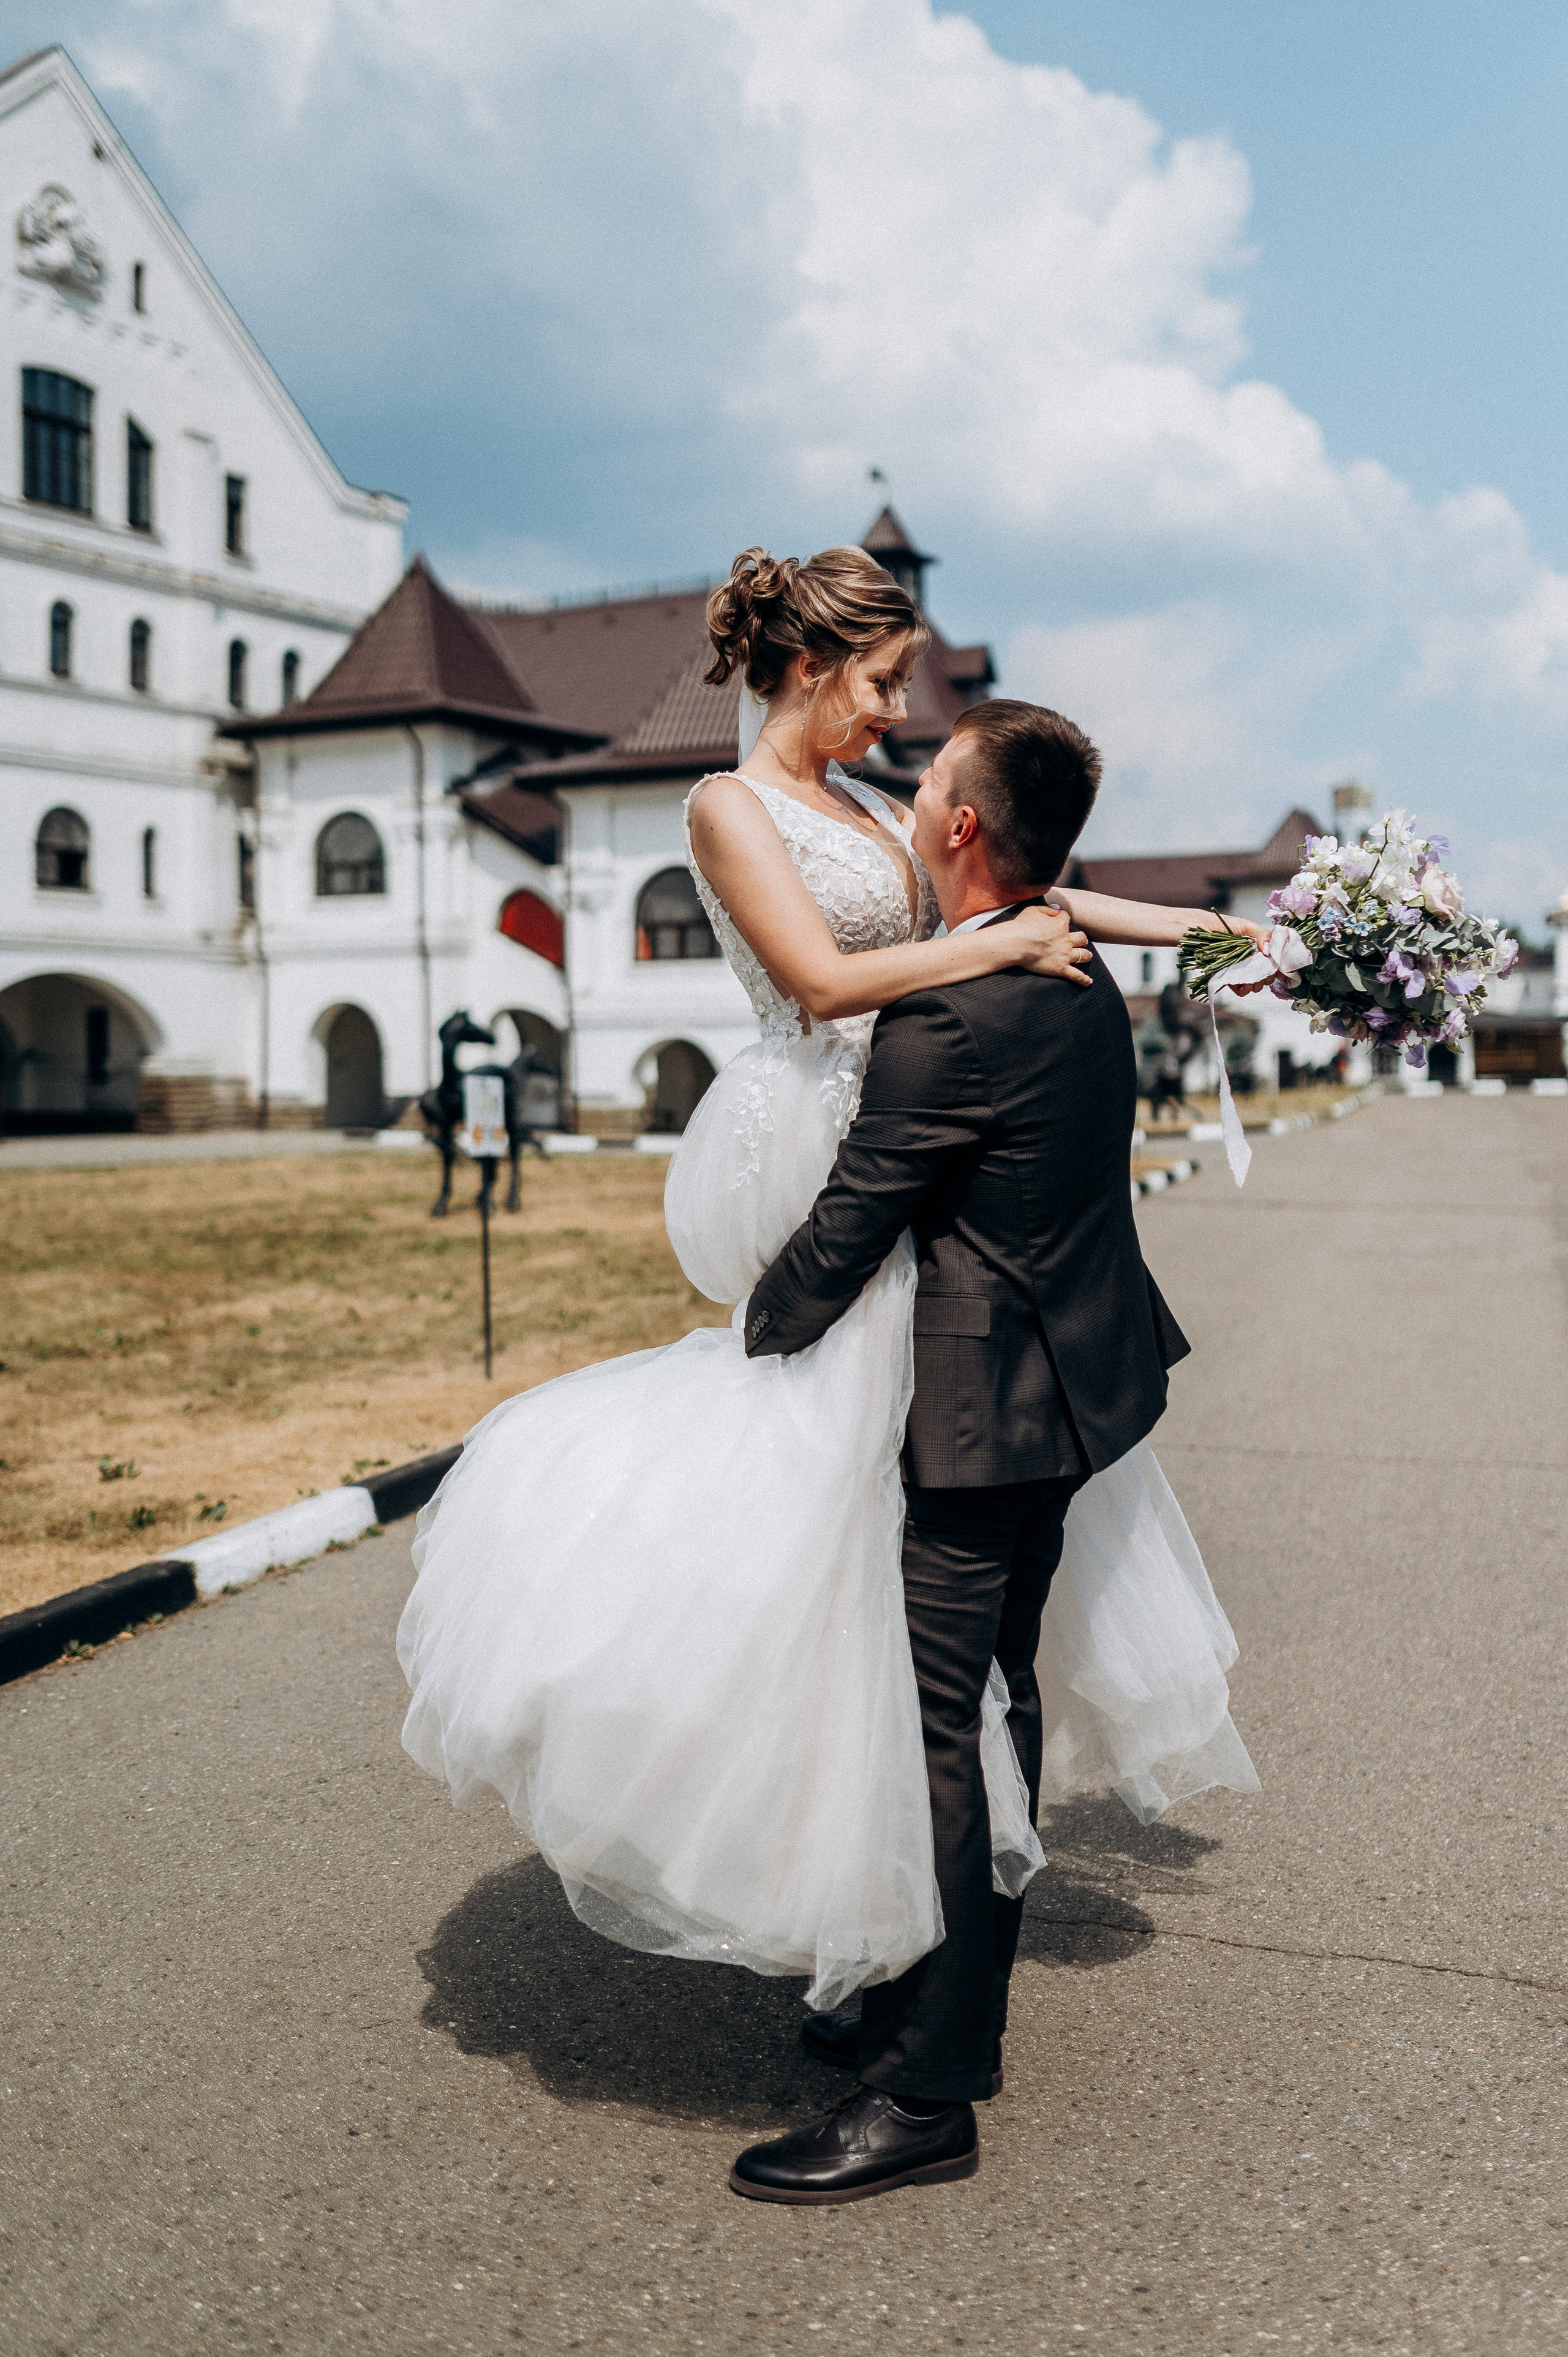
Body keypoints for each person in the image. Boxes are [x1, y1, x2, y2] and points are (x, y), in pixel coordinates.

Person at [396, 545, 1259, 2186]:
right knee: (847, 1556)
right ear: (809, 668)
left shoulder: (880, 807)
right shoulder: (732, 807)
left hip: (920, 1121)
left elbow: (1032, 887)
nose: (893, 710)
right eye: (878, 682)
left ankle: (901, 1997)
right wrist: (995, 955)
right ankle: (889, 1973)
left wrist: (1205, 931)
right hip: (832, 1110)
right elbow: (820, 980)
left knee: (910, 1626)